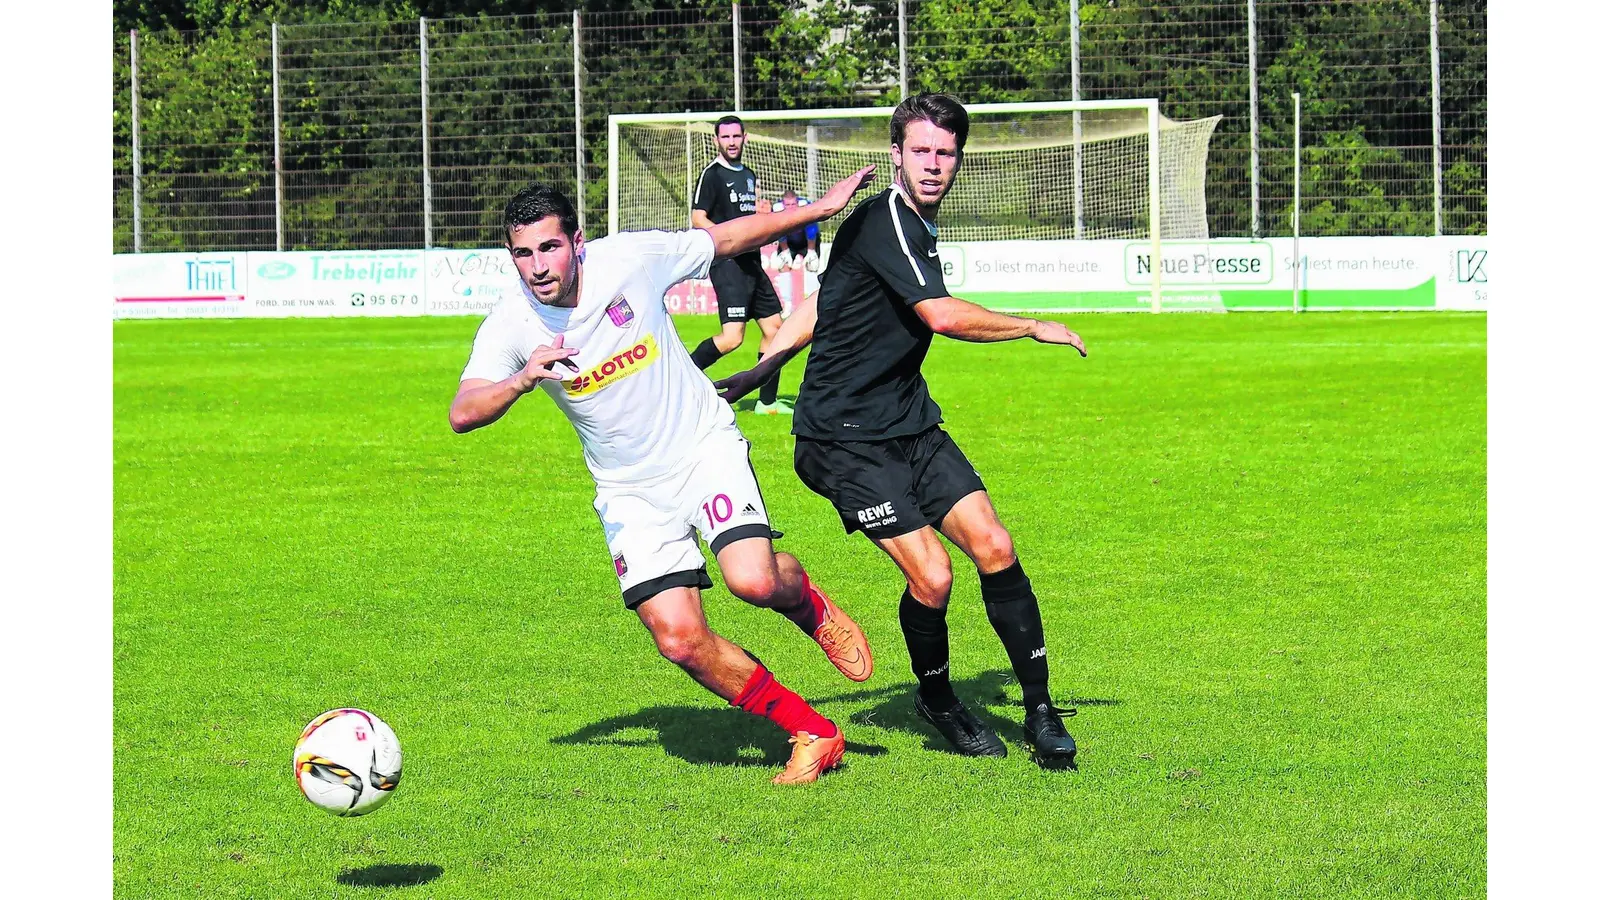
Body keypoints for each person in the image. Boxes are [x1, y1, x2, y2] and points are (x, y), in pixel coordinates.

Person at [449, 169, 878, 784]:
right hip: (628, 490)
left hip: (702, 448)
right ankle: (813, 731)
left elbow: (727, 240)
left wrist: (821, 207)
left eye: (549, 246)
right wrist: (521, 380)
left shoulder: (627, 259)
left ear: (577, 241)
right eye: (523, 253)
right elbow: (463, 413)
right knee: (678, 640)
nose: (539, 265)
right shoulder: (512, 325)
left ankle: (808, 605)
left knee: (753, 582)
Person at [712, 94, 1088, 770]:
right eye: (921, 150)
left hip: (906, 417)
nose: (934, 164)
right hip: (842, 438)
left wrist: (760, 368)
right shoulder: (887, 217)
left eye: (946, 153)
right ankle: (939, 699)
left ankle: (1040, 710)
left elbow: (825, 302)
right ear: (895, 155)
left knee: (995, 545)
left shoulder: (896, 225)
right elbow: (940, 315)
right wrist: (1034, 326)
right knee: (935, 576)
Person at [686, 115, 792, 415]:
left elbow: (747, 218)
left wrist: (762, 214)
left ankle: (767, 403)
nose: (731, 142)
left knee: (774, 328)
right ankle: (682, 381)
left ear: (745, 138)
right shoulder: (712, 174)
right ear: (717, 140)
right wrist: (723, 243)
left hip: (752, 263)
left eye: (736, 136)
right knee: (733, 338)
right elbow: (698, 218)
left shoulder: (748, 174)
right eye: (725, 137)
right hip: (728, 263)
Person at [770, 189, 821, 273]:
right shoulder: (777, 210)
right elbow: (778, 232)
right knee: (783, 268)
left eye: (793, 204)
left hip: (806, 242)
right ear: (783, 204)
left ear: (797, 203)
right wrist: (785, 251)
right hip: (789, 243)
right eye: (788, 205)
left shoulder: (806, 208)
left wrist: (811, 251)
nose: (791, 208)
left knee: (812, 267)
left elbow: (811, 230)